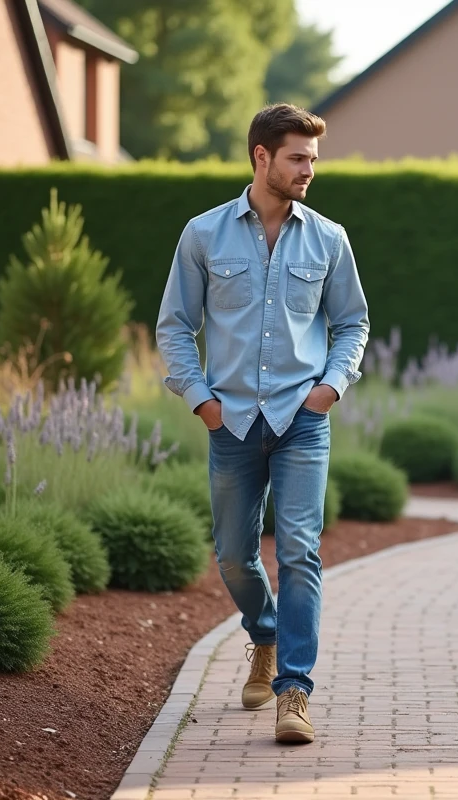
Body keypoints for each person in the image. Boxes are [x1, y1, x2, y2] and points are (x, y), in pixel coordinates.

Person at [155, 103, 370, 744]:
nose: (309, 169)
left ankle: (294, 691)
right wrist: (201, 399)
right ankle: (265, 635)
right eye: (297, 158)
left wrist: (331, 387)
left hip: (304, 418)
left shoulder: (330, 239)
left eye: (312, 159)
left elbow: (352, 323)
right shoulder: (203, 234)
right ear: (261, 157)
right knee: (232, 556)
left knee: (300, 550)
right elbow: (173, 326)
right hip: (232, 423)